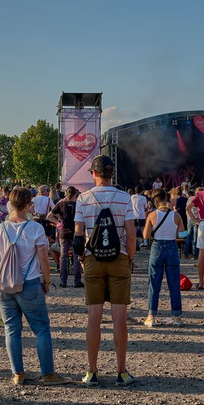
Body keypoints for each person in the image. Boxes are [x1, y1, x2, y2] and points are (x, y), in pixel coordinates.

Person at [0, 187, 69, 386]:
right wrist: (47, 281)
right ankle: (48, 374)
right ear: (27, 205)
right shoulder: (35, 228)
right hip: (29, 284)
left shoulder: (0, 229)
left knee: (11, 329)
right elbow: (43, 259)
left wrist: (4, 276)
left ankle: (18, 373)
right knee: (41, 328)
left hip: (3, 286)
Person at [74, 155, 137, 387]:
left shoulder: (83, 198)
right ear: (112, 174)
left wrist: (82, 259)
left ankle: (92, 372)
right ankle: (121, 372)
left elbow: (78, 237)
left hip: (93, 259)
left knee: (94, 317)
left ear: (94, 173)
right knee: (120, 317)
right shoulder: (124, 197)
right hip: (119, 257)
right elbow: (131, 235)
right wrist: (129, 258)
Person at [142, 189, 184, 327]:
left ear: (154, 201)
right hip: (172, 247)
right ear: (167, 199)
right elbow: (182, 235)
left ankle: (151, 316)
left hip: (157, 247)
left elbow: (146, 236)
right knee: (174, 283)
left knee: (154, 283)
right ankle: (176, 316)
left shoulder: (152, 215)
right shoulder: (176, 215)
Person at [47, 186, 82, 288]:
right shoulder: (79, 205)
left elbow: (49, 216)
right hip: (76, 232)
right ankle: (77, 280)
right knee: (76, 257)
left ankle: (63, 281)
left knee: (63, 257)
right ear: (76, 194)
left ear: (66, 193)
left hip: (64, 232)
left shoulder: (61, 204)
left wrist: (58, 222)